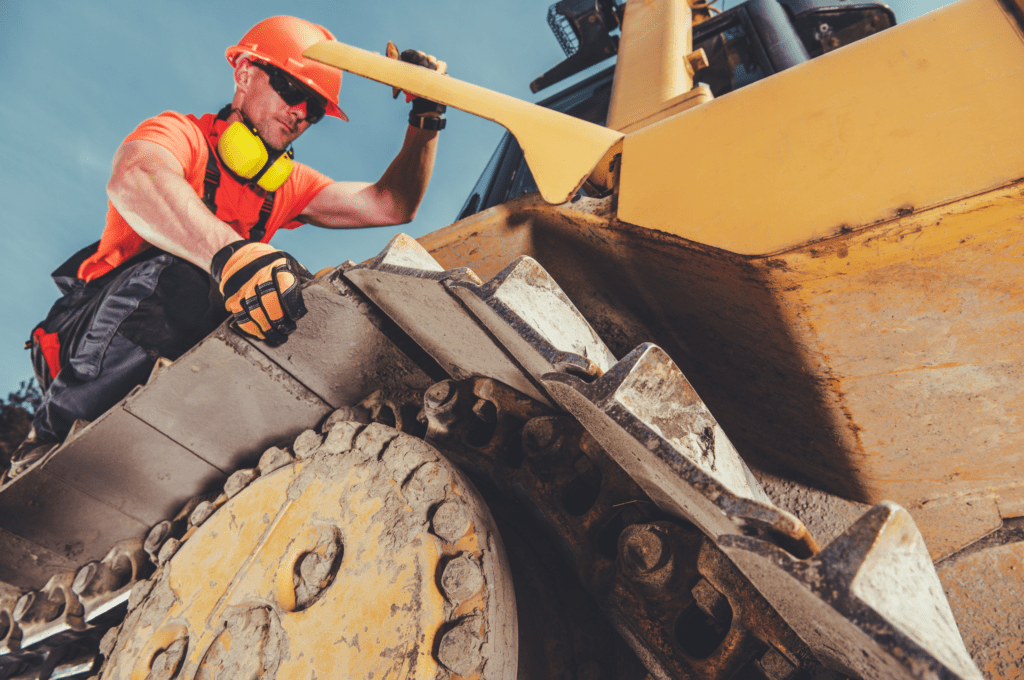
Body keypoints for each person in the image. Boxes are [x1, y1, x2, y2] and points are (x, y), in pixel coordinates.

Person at [6, 16, 447, 480]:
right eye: (290, 89)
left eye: (314, 107)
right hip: (94, 334)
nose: (300, 112)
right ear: (244, 73)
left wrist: (426, 118)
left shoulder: (284, 186)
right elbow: (135, 176)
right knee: (190, 275)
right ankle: (48, 439)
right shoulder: (184, 135)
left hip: (186, 340)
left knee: (292, 286)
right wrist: (229, 254)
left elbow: (391, 204)